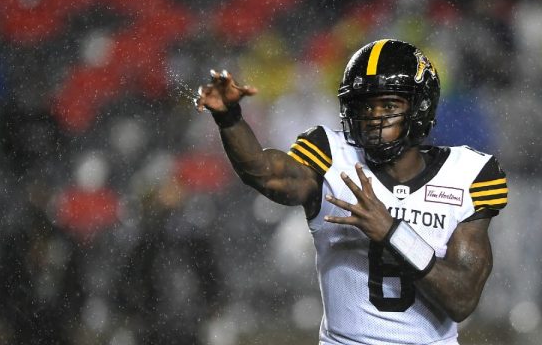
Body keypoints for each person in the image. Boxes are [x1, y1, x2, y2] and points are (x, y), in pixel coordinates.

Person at [196, 39, 508, 344]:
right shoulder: (331, 155)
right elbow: (265, 173)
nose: (374, 118)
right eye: (366, 106)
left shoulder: (467, 174)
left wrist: (392, 231)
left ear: (420, 108)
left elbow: (462, 298)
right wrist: (229, 118)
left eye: (389, 105)